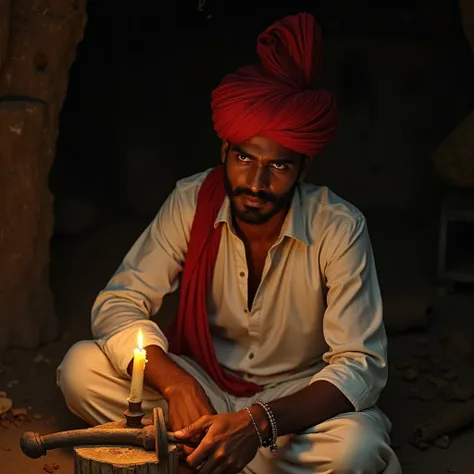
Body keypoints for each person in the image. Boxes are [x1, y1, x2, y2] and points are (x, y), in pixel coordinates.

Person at [57, 12, 401, 474]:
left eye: (277, 166)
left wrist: (258, 423)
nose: (255, 182)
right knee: (80, 370)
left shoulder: (339, 227)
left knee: (355, 451)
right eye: (243, 157)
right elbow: (119, 303)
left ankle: (198, 452)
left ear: (304, 170)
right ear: (223, 150)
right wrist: (176, 383)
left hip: (291, 403)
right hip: (201, 389)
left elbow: (361, 364)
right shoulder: (192, 200)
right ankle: (219, 448)